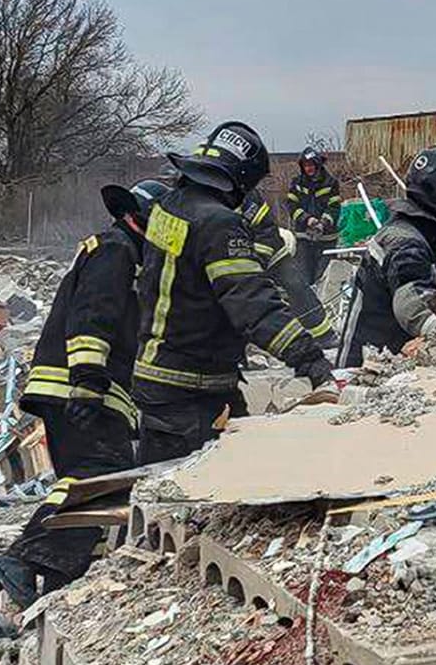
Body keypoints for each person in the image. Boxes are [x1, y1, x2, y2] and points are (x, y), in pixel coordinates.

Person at [0, 178, 167, 607]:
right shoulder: (115, 250)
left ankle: (54, 574)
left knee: (90, 477)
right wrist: (86, 381)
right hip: (79, 387)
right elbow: (92, 315)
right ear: (143, 219)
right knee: (101, 473)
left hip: (77, 388)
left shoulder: (124, 252)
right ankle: (24, 561)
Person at [132, 121, 336, 463]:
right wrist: (311, 360)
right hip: (191, 389)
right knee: (195, 498)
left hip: (162, 377)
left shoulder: (170, 207)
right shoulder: (218, 223)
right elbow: (253, 305)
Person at [335, 145, 436, 367]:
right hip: (366, 369)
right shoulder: (406, 243)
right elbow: (411, 306)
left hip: (387, 358)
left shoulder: (418, 232)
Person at [282, 148, 341, 283]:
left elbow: (334, 207)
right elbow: (291, 205)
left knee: (324, 278)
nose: (308, 168)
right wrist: (307, 219)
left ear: (318, 164)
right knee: (304, 277)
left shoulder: (331, 183)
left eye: (311, 164)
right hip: (304, 238)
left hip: (327, 239)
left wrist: (324, 222)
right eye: (305, 165)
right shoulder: (297, 183)